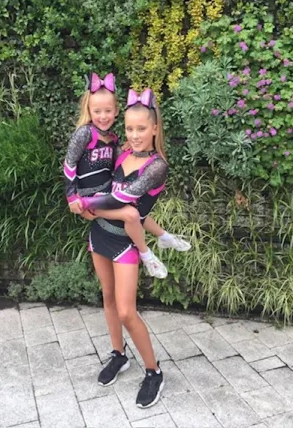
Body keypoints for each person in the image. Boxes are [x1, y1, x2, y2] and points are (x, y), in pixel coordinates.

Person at [74, 87, 170, 408]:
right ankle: (119, 354)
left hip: (125, 243)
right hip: (99, 235)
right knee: (109, 298)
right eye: (129, 128)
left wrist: (87, 205)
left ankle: (154, 372)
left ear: (155, 128)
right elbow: (100, 178)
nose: (135, 134)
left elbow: (125, 202)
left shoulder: (157, 166)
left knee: (128, 310)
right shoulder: (124, 152)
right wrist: (75, 188)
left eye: (141, 128)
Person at [64, 73, 190, 279]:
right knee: (131, 214)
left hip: (103, 195)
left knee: (135, 213)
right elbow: (69, 164)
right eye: (97, 111)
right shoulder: (85, 133)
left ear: (115, 112)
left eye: (108, 111)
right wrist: (73, 197)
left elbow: (113, 172)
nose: (103, 116)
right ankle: (147, 253)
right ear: (88, 110)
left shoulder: (114, 140)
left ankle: (163, 236)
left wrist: (127, 148)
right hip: (90, 199)